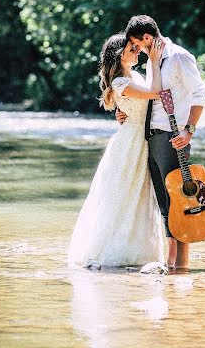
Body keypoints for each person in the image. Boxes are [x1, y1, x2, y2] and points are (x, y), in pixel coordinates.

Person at [117, 15, 205, 269]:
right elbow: (150, 98)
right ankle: (172, 262)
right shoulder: (153, 62)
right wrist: (124, 110)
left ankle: (183, 264)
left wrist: (189, 130)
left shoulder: (179, 57)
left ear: (147, 38)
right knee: (164, 202)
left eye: (137, 45)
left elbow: (200, 91)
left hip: (172, 137)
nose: (137, 50)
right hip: (152, 137)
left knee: (180, 200)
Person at [68, 32, 165, 267]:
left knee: (140, 194)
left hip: (141, 140)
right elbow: (155, 94)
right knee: (123, 193)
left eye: (136, 47)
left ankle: (140, 251)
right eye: (131, 48)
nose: (137, 51)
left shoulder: (136, 76)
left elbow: (142, 105)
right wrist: (154, 60)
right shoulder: (120, 82)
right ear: (118, 54)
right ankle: (113, 251)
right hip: (130, 143)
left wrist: (123, 113)